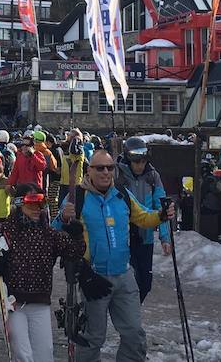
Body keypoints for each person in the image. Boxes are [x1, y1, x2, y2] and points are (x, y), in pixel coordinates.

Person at [55, 149, 174, 362]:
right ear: (89, 171)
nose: (105, 172)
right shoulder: (78, 197)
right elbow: (55, 231)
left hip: (124, 276)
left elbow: (143, 217)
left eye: (110, 168)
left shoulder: (122, 194)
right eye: (99, 168)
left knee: (134, 334)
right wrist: (63, 218)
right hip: (94, 278)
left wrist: (161, 215)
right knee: (93, 337)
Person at [0, 183, 87, 362]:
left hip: (39, 302)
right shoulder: (4, 231)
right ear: (19, 203)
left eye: (41, 203)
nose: (37, 208)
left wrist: (76, 233)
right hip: (12, 303)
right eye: (32, 203)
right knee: (23, 354)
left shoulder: (49, 234)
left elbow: (74, 252)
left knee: (44, 354)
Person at [115, 137, 171, 303]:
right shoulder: (117, 174)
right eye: (136, 162)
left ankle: (130, 312)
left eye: (143, 161)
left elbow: (161, 206)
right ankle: (127, 314)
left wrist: (165, 237)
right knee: (130, 281)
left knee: (145, 284)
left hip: (145, 238)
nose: (140, 165)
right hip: (123, 238)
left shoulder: (152, 176)